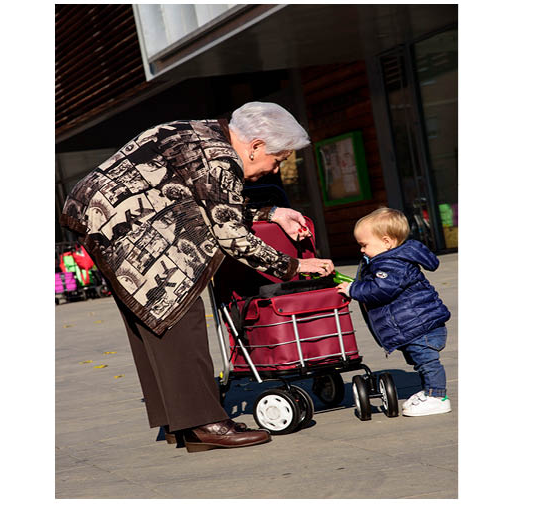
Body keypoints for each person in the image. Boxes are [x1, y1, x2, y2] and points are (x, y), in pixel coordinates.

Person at [60, 101, 335, 452]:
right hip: (126, 224)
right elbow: (231, 235)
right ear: (256, 147)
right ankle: (205, 423)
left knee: (151, 318)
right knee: (177, 305)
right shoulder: (221, 159)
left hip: (101, 216)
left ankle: (180, 423)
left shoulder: (205, 132)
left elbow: (214, 203)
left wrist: (273, 211)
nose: (274, 169)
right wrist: (295, 266)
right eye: (277, 160)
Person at [336, 207, 451, 417]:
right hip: (414, 324)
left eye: (364, 245)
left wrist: (354, 290)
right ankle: (429, 392)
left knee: (427, 361)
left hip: (419, 325)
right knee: (420, 361)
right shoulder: (386, 260)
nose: (361, 250)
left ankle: (438, 397)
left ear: (387, 242)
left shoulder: (392, 263)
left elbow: (381, 289)